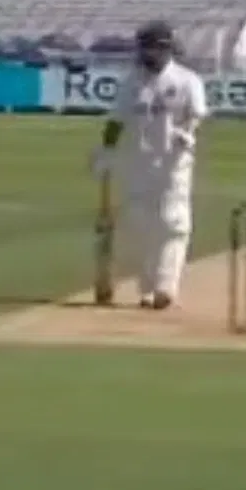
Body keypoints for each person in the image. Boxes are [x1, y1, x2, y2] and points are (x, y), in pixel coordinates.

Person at [94, 21, 209, 310]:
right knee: (140, 226)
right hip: (137, 163)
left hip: (174, 163)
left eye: (155, 49)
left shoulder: (187, 80)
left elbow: (197, 113)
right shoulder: (131, 82)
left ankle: (166, 287)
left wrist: (188, 132)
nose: (149, 55)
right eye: (145, 49)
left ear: (166, 49)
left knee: (172, 223)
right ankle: (146, 288)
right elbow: (116, 120)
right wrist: (106, 151)